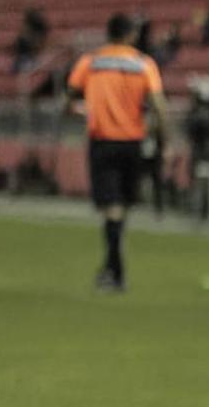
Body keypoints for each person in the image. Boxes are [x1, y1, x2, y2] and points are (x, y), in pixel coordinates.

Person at [66, 15, 168, 292]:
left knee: (110, 208)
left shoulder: (90, 62)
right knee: (121, 206)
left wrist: (85, 110)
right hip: (132, 142)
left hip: (103, 141)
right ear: (131, 35)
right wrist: (163, 140)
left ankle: (115, 271)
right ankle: (112, 269)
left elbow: (70, 99)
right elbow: (159, 106)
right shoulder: (144, 64)